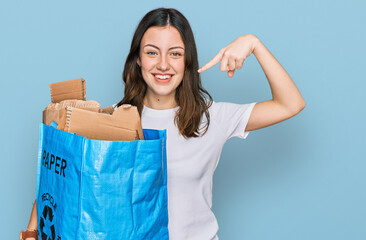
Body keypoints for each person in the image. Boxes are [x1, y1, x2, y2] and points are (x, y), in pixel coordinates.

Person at [21, 7, 305, 240]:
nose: (163, 65)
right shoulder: (115, 122)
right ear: (138, 61)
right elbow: (61, 178)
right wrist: (31, 233)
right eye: (152, 52)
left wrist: (253, 43)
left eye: (175, 53)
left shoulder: (211, 119)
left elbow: (290, 104)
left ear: (187, 61)